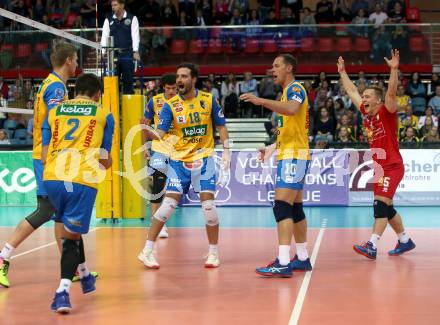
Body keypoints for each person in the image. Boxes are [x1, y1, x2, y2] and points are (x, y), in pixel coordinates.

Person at [0, 42, 96, 288]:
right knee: (47, 209)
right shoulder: (56, 88)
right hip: (49, 156)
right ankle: (3, 257)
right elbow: (57, 121)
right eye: (75, 60)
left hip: (51, 155)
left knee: (59, 214)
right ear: (68, 61)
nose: (77, 64)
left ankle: (70, 266)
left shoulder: (52, 84)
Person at [138, 62, 231, 269]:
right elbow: (160, 135)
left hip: (204, 158)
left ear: (194, 79)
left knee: (208, 206)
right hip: (179, 161)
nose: (179, 80)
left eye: (184, 76)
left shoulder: (209, 100)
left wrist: (226, 151)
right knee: (168, 206)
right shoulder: (170, 106)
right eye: (178, 76)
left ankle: (213, 253)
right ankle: (146, 251)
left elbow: (221, 127)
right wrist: (146, 129)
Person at [41, 73, 114, 313]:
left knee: (70, 228)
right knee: (71, 236)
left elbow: (43, 153)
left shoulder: (55, 112)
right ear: (97, 95)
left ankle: (85, 275)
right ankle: (62, 293)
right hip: (81, 179)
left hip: (52, 178)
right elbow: (105, 159)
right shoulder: (104, 114)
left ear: (74, 92)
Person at [337, 50, 415, 259]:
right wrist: (343, 72)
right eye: (364, 97)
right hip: (380, 168)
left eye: (368, 96)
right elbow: (352, 90)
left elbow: (390, 93)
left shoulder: (386, 111)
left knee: (380, 204)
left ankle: (372, 245)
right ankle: (405, 240)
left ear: (378, 100)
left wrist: (394, 69)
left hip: (392, 166)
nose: (364, 99)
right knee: (387, 208)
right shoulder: (365, 111)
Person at [240, 54, 312, 277]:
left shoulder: (295, 88)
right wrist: (272, 147)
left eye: (277, 66)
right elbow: (289, 128)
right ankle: (302, 258)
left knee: (281, 205)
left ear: (289, 68)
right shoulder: (285, 92)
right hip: (290, 153)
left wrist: (261, 101)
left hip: (294, 156)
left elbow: (291, 109)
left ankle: (282, 262)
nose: (272, 69)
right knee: (294, 208)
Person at [140, 73, 177, 239]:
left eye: (174, 88)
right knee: (158, 185)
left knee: (175, 188)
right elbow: (145, 124)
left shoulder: (184, 102)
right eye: (168, 88)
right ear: (163, 88)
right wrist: (145, 146)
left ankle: (162, 219)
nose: (171, 91)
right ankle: (156, 223)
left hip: (180, 148)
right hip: (159, 147)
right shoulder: (154, 101)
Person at [101, 0, 140, 94]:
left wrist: (135, 51)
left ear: (122, 5)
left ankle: (128, 106)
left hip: (128, 54)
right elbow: (104, 36)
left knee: (128, 82)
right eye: (112, 5)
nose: (113, 7)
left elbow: (135, 35)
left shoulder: (132, 18)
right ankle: (113, 107)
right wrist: (102, 52)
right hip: (113, 55)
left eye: (115, 5)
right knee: (113, 83)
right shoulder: (108, 19)